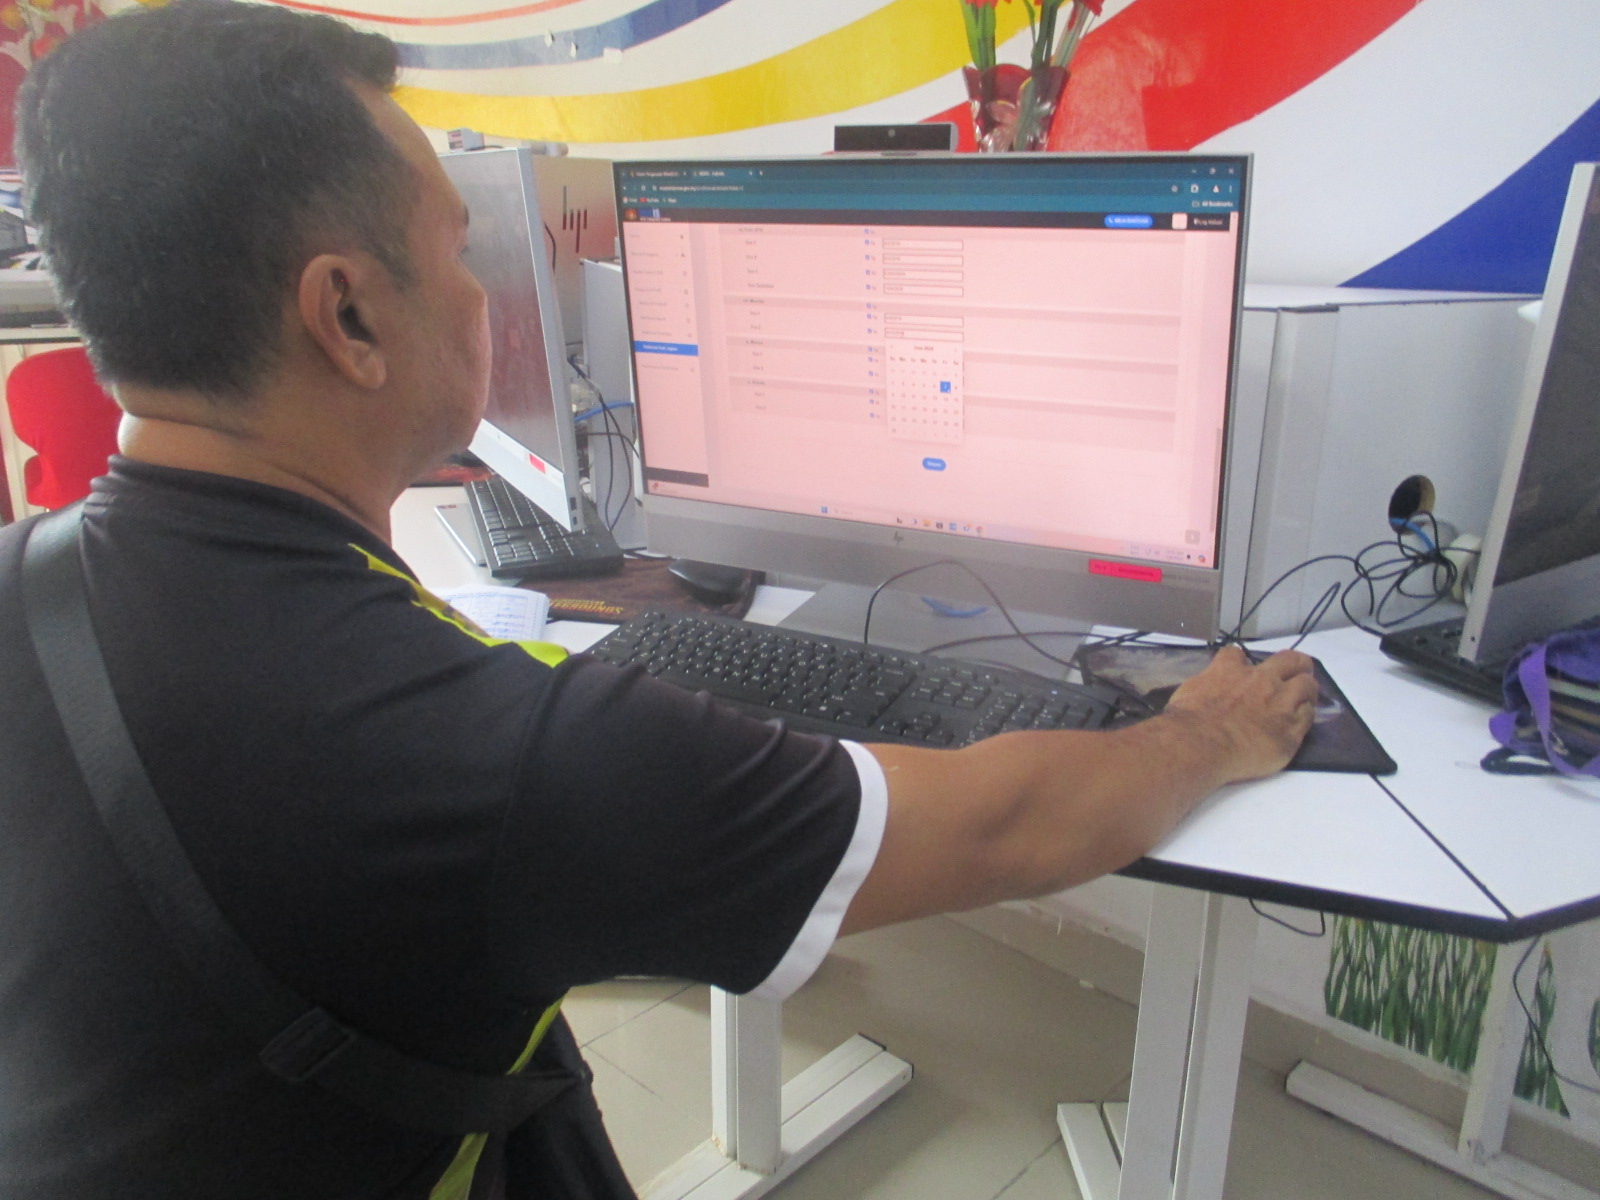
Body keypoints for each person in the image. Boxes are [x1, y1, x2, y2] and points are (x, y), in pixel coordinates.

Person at [0, 2, 1318, 1197]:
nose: (482, 292)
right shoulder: (508, 754)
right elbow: (1001, 826)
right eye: (460, 247)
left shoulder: (21, 583)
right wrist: (1204, 733)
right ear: (347, 316)